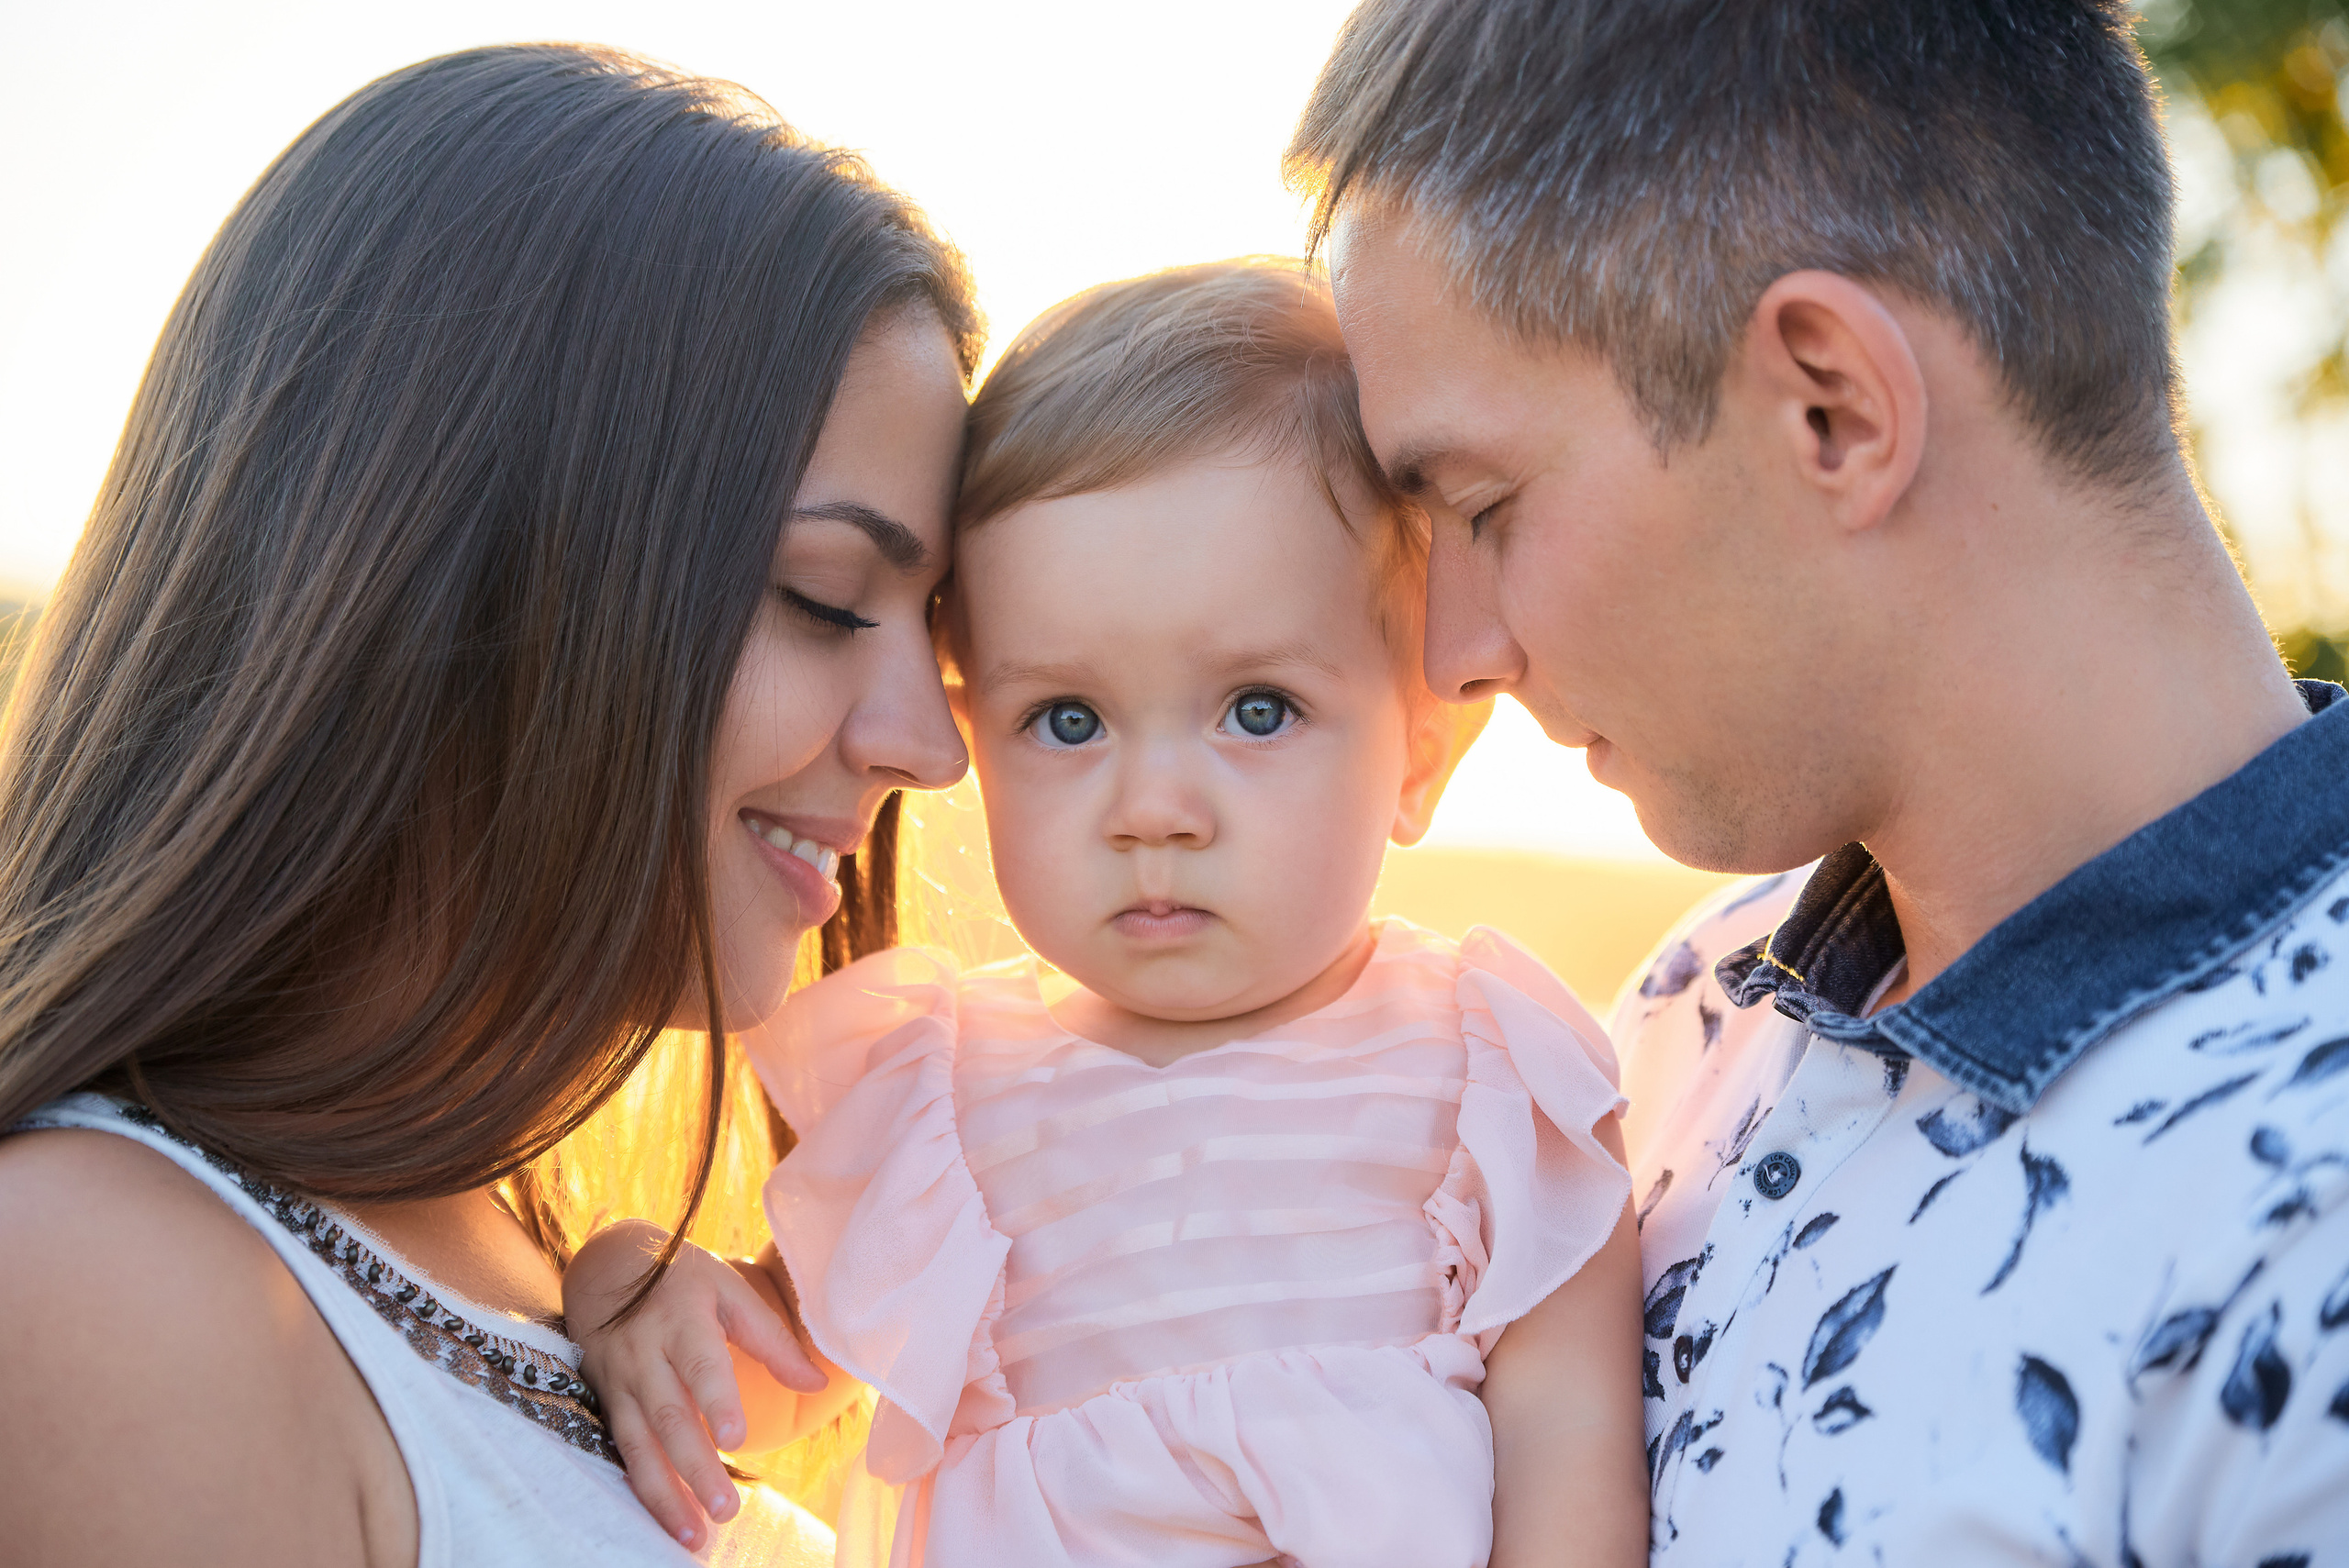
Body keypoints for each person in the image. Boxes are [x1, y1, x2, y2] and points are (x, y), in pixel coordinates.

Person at [1288, 1, 2349, 1562]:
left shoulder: (2313, 1217)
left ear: (1830, 407)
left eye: (1486, 503)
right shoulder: (1675, 1029)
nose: (1447, 648)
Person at [0, 44, 977, 1567]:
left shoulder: (592, 1288)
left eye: (940, 627)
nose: (932, 741)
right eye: (823, 595)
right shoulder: (102, 1289)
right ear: (484, 570)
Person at [560, 260, 1650, 1568]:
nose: (1154, 808)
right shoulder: (936, 1096)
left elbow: (1574, 1461)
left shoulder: (1483, 1067)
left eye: (1258, 708)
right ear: (975, 740)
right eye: (1065, 720)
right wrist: (644, 1283)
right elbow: (786, 1369)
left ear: (1420, 745)